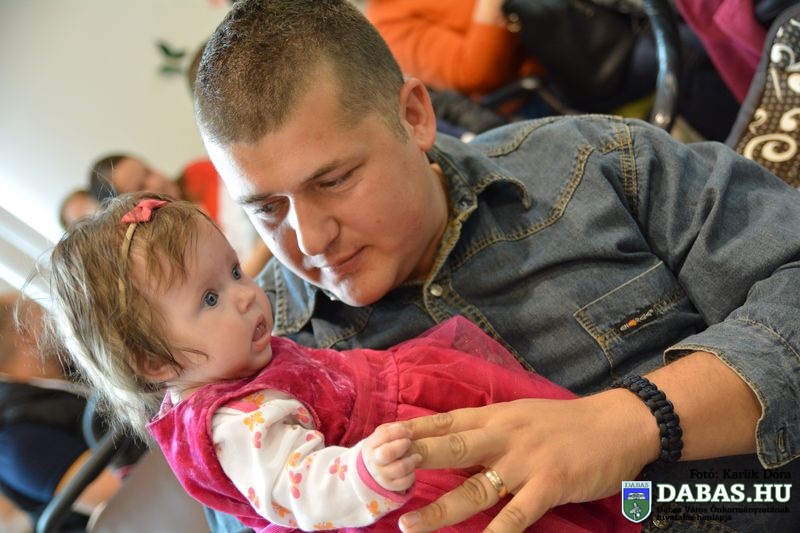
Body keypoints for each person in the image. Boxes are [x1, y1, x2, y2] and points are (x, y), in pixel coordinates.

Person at [192, 1, 800, 531]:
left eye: (334, 180)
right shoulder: (248, 377)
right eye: (267, 209)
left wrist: (635, 419)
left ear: (414, 116)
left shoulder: (596, 164)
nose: (310, 239)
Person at [45, 192, 636, 532]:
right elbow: (298, 489)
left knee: (548, 436)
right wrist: (364, 473)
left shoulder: (234, 369)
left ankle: (635, 478)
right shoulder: (233, 425)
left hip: (395, 406)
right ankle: (641, 502)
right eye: (210, 299)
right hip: (381, 485)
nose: (246, 295)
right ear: (154, 362)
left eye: (233, 272)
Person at [0, 292, 122, 531]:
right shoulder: (15, 440)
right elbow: (119, 497)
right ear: (26, 333)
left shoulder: (66, 369)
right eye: (43, 314)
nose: (58, 321)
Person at [87, 152, 271, 277]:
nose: (156, 183)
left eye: (148, 172)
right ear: (130, 209)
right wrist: (271, 239)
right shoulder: (163, 248)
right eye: (141, 187)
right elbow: (233, 283)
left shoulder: (198, 174)